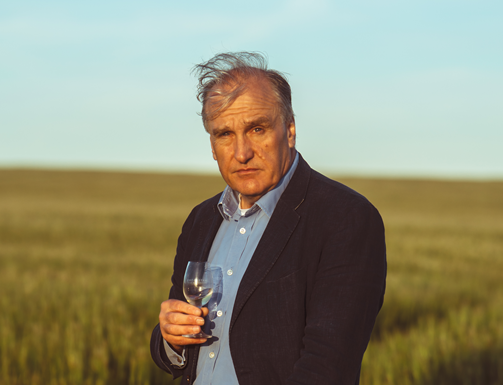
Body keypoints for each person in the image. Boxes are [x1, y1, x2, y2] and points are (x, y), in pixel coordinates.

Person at [150, 52, 386, 385]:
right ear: (212, 146)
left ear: (289, 131)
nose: (242, 152)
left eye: (256, 128)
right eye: (225, 135)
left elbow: (328, 367)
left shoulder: (346, 219)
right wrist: (171, 339)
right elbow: (179, 355)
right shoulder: (200, 220)